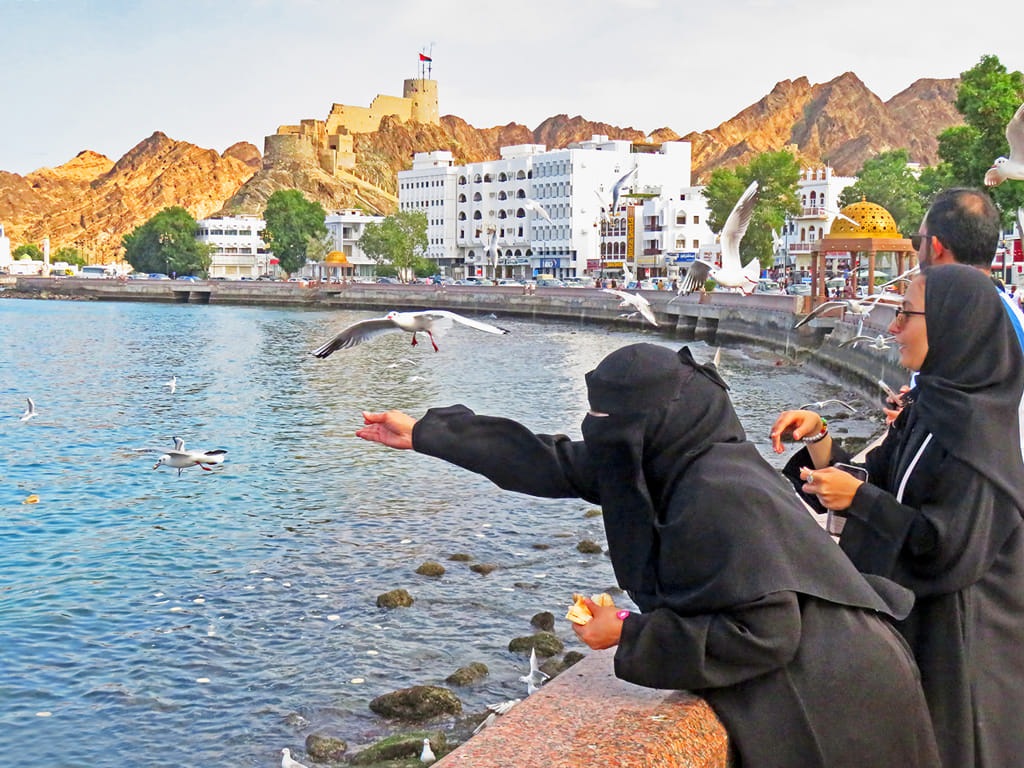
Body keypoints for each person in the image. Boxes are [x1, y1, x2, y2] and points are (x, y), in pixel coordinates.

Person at [358, 343, 940, 768]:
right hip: (833, 674)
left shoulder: (717, 493)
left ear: (651, 421)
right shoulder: (678, 455)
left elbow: (765, 633)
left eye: (610, 420)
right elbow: (557, 460)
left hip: (839, 698)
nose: (599, 432)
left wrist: (629, 634)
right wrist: (430, 434)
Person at [771, 265, 1024, 768]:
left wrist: (860, 500)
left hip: (966, 645)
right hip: (927, 624)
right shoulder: (933, 406)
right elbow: (885, 481)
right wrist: (821, 441)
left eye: (905, 314)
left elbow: (949, 549)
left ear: (953, 325)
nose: (892, 327)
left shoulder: (980, 431)